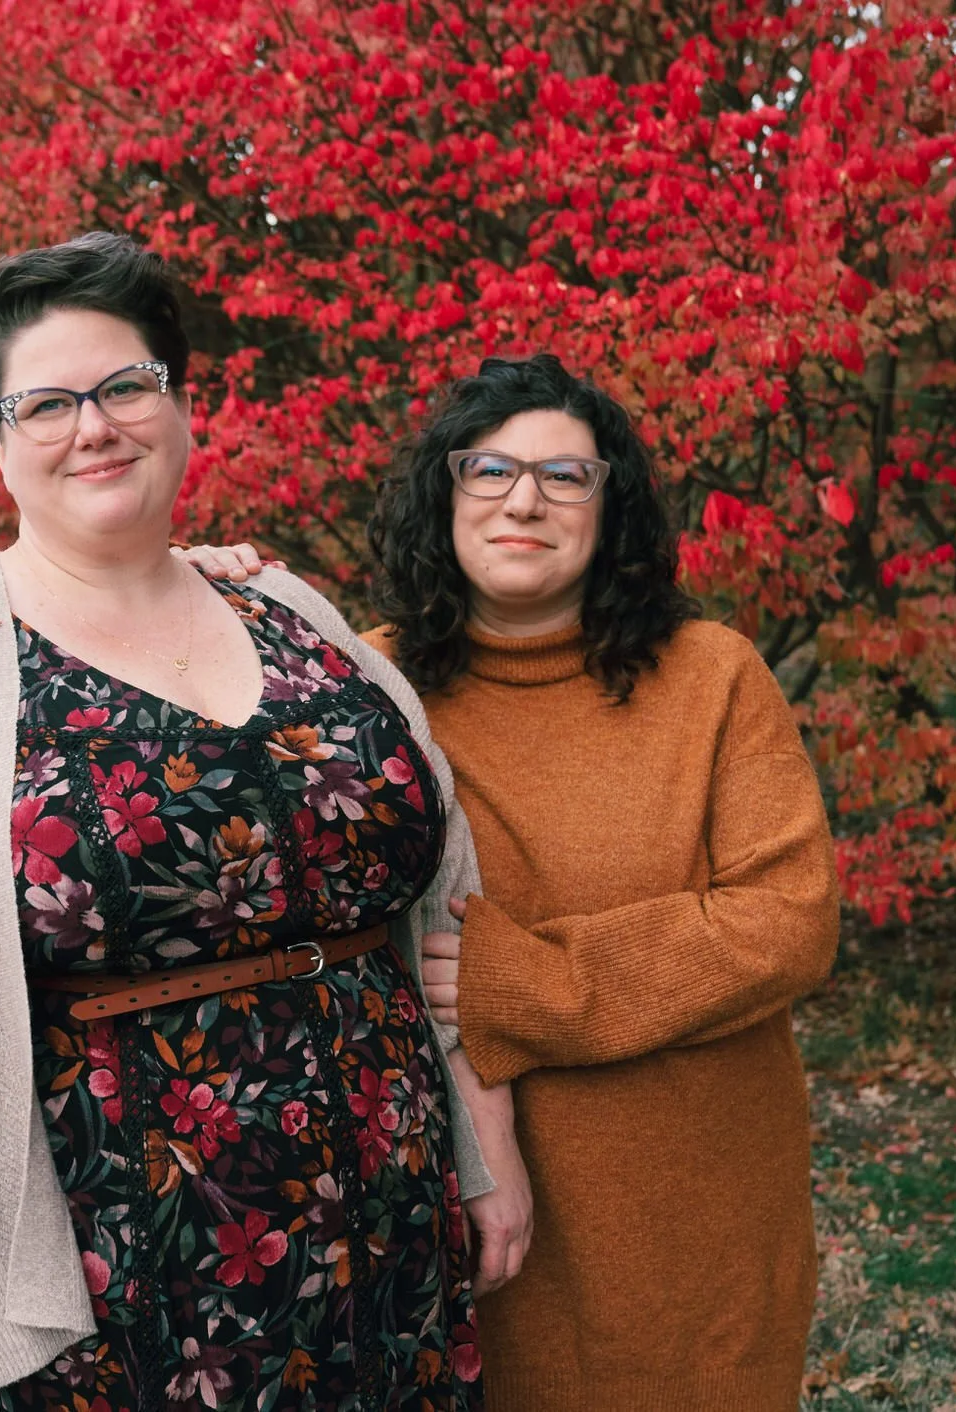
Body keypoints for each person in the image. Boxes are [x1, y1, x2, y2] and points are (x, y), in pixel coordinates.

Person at [0, 234, 531, 1412]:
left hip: (382, 1235)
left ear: (181, 405)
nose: (92, 426)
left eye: (123, 387)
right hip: (103, 1269)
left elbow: (442, 899)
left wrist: (485, 1144)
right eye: (45, 404)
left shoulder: (288, 608)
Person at [183, 353, 840, 1408]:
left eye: (563, 476)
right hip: (455, 1209)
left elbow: (786, 921)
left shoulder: (712, 675)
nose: (522, 498)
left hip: (691, 1214)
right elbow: (213, 805)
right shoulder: (364, 686)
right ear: (443, 497)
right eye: (486, 470)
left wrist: (527, 987)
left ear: (608, 506)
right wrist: (196, 592)